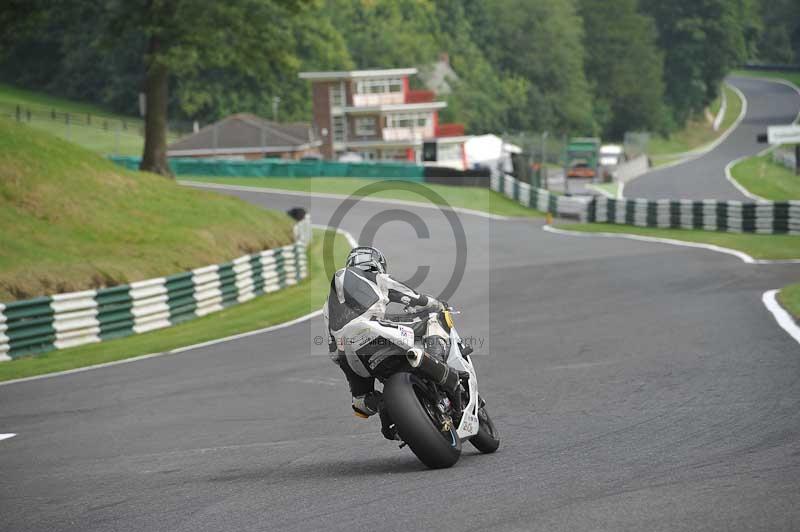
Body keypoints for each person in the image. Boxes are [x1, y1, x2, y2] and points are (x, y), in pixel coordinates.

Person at [322, 246, 440, 431]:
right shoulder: (377, 278)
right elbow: (417, 298)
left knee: (361, 404)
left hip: (347, 351)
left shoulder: (328, 304)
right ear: (377, 264)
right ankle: (437, 360)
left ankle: (385, 408)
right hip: (373, 330)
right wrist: (438, 305)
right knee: (433, 318)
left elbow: (332, 350)